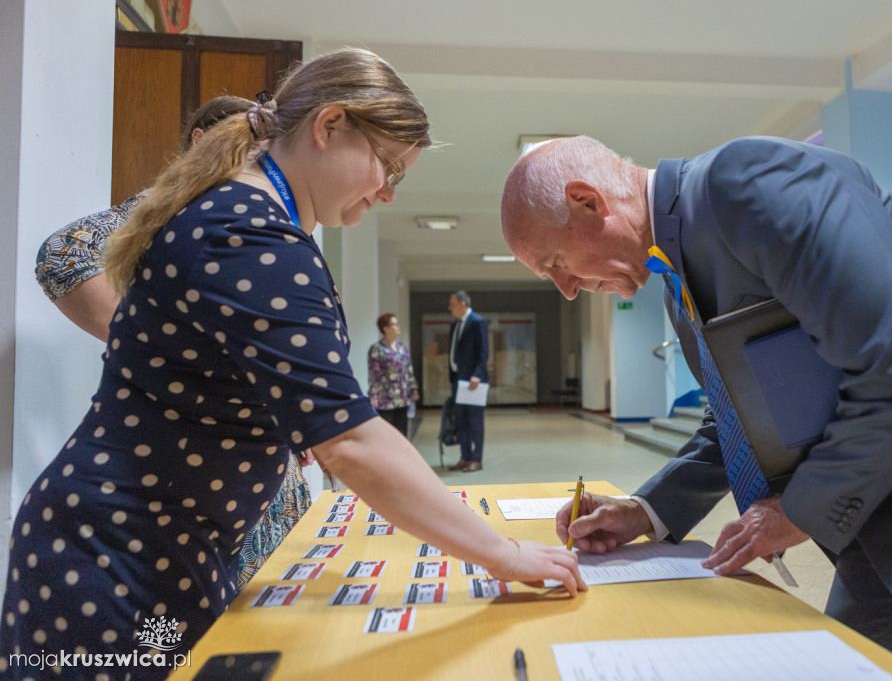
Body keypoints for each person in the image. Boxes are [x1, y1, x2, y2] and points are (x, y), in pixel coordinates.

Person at [1, 48, 584, 680]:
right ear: (329, 126)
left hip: (158, 550)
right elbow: (351, 444)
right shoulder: (247, 233)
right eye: (386, 166)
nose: (386, 193)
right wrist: (501, 554)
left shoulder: (250, 220)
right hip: (117, 561)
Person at [500, 135, 892, 680]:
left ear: (589, 201)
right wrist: (646, 510)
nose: (564, 289)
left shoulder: (747, 182)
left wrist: (799, 508)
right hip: (883, 512)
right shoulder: (675, 274)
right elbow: (737, 419)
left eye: (555, 261)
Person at [33, 95, 314, 592]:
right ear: (202, 143)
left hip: (266, 472)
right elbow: (64, 252)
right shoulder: (170, 214)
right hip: (185, 474)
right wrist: (160, 342)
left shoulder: (261, 227)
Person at [447, 290, 488, 472]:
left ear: (463, 304)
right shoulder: (455, 324)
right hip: (458, 380)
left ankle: (476, 459)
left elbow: (483, 351)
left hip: (473, 382)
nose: (450, 308)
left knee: (475, 421)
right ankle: (464, 457)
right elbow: (452, 352)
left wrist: (476, 375)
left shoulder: (477, 322)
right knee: (461, 420)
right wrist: (451, 377)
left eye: (452, 304)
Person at [368, 312, 419, 437]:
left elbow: (409, 370)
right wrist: (373, 396)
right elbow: (373, 374)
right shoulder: (377, 349)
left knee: (402, 433)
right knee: (387, 435)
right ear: (385, 328)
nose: (398, 326)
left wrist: (413, 389)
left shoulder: (402, 347)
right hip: (385, 399)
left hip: (402, 398)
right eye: (395, 324)